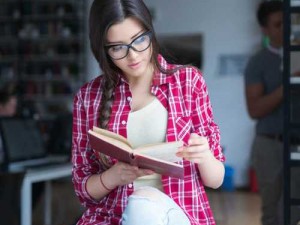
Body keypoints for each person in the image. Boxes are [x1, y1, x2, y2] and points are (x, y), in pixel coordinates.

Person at [72, 0, 225, 224]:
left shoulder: (188, 82)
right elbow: (82, 190)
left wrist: (205, 156)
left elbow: (216, 180)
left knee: (142, 204)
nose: (133, 56)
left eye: (139, 40)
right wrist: (112, 177)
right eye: (117, 47)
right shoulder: (88, 98)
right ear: (102, 49)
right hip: (110, 216)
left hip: (178, 212)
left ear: (151, 33)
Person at [244, 1, 284, 225]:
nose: (286, 29)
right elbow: (255, 109)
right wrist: (288, 84)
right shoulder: (257, 63)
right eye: (279, 24)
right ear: (265, 30)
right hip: (270, 145)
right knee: (273, 213)